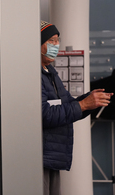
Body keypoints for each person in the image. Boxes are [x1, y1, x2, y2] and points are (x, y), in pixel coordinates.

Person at [40, 20, 113, 195]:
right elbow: (43, 115)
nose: (56, 45)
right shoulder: (31, 74)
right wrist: (82, 105)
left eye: (57, 41)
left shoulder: (51, 73)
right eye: (51, 41)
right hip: (39, 157)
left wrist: (89, 102)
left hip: (52, 156)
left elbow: (67, 107)